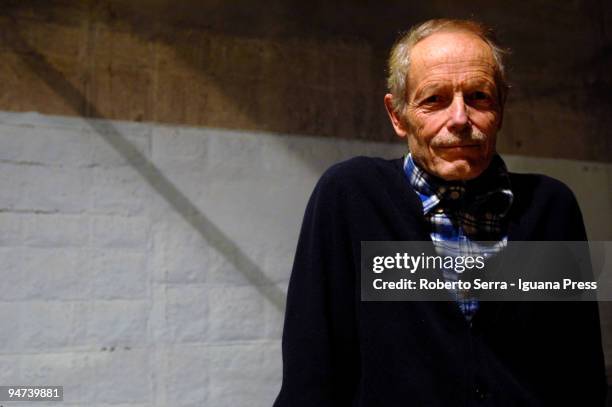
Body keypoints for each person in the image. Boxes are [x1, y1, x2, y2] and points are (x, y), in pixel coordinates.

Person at [273, 19, 607, 406]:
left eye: (479, 96)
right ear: (398, 115)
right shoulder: (352, 197)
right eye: (434, 99)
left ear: (500, 106)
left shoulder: (550, 207)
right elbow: (311, 368)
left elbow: (580, 371)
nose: (461, 119)